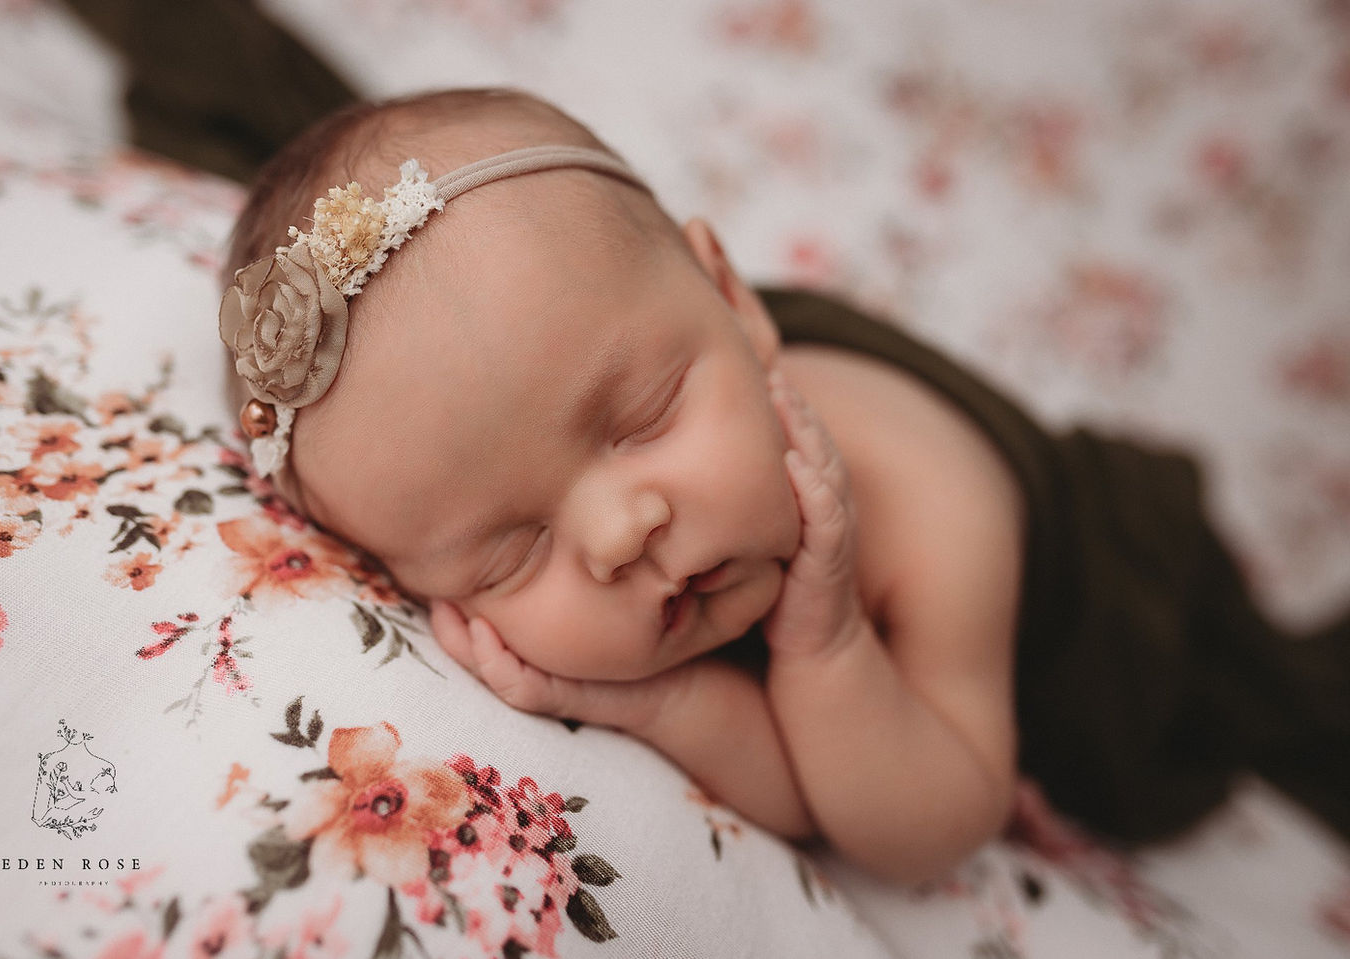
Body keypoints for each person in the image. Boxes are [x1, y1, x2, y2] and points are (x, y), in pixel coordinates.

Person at [218, 87, 1350, 885]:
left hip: (1114, 607)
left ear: (730, 293)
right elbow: (800, 781)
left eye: (643, 417)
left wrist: (827, 647)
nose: (623, 531)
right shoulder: (576, 404)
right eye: (508, 550)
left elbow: (925, 828)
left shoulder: (931, 510)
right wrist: (651, 703)